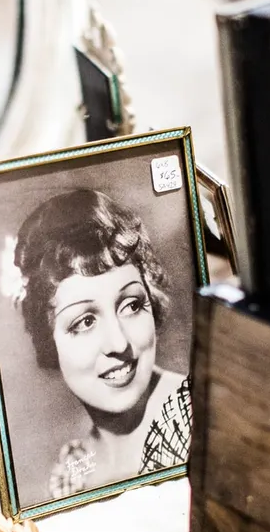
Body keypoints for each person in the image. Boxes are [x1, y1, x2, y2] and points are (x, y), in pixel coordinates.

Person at [12, 189, 191, 500]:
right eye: (85, 322)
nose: (118, 342)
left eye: (132, 305)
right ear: (48, 339)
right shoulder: (75, 469)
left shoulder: (195, 418)